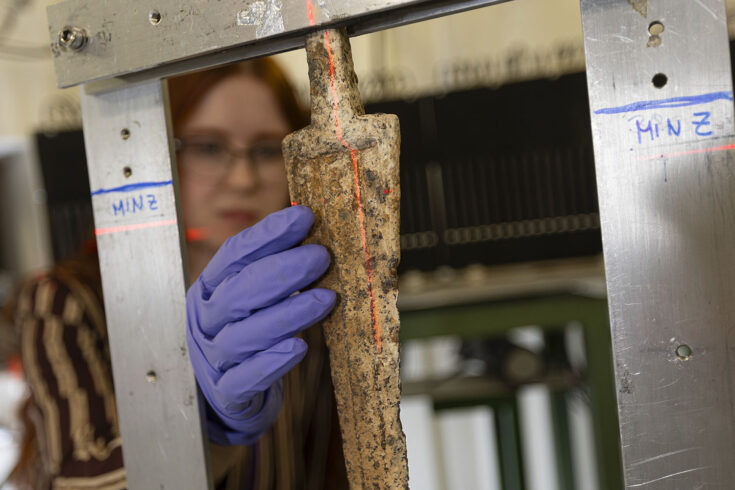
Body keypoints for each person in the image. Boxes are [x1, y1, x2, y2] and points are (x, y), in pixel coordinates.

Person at [5, 58, 349, 489]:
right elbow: (78, 479)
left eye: (266, 150)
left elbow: (327, 468)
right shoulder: (67, 300)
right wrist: (204, 428)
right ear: (157, 151)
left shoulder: (308, 298)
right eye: (209, 147)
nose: (243, 179)